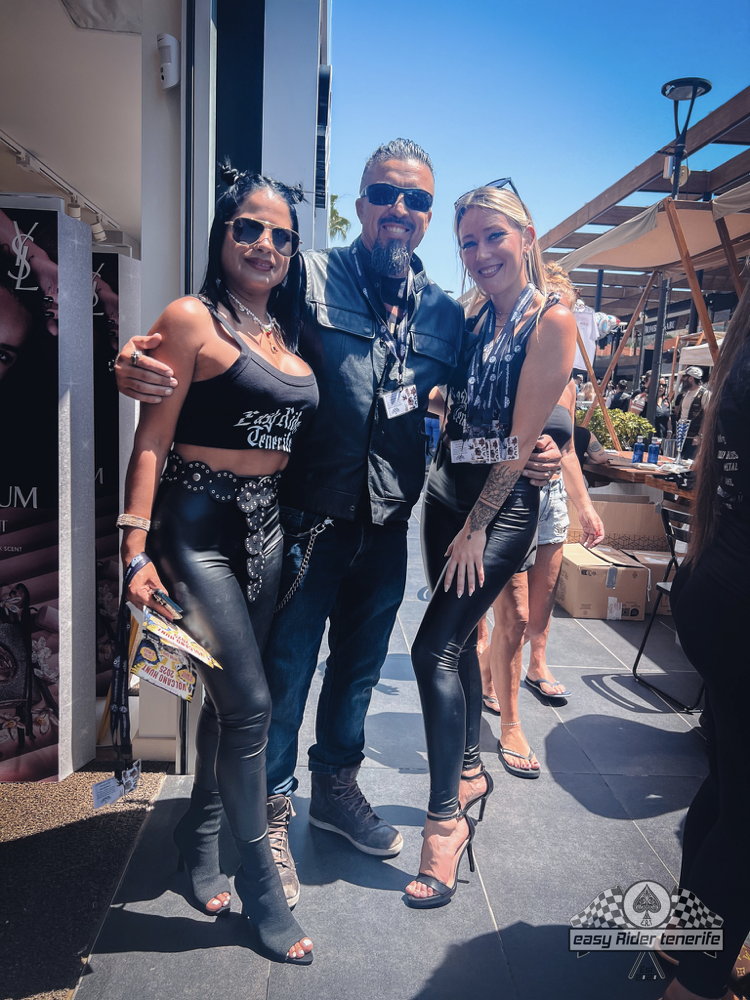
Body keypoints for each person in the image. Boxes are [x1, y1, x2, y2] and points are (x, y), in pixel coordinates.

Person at [114, 140, 563, 908]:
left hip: (388, 523)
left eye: (417, 201)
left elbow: (493, 396)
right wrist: (135, 359)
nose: (401, 212)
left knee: (357, 669)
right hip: (304, 517)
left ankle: (336, 789)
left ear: (427, 217)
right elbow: (229, 329)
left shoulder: (446, 316)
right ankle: (274, 810)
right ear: (359, 205)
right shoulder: (310, 278)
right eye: (385, 195)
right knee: (287, 669)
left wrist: (552, 440)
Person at [119, 169, 316, 964]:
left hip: (267, 537)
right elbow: (150, 441)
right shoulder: (190, 318)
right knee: (253, 708)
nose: (263, 244)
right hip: (196, 532)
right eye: (247, 228)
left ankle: (197, 848)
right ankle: (261, 889)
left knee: (230, 708)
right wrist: (133, 550)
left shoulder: (287, 335)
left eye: (279, 235)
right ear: (222, 235)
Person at [404, 185, 576, 906]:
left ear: (526, 236)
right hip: (446, 497)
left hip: (497, 511)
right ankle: (471, 768)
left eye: (492, 238)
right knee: (462, 634)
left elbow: (539, 422)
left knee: (430, 648)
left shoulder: (552, 318)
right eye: (468, 242)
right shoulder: (474, 316)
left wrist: (480, 523)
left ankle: (446, 825)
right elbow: (461, 399)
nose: (479, 254)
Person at [478, 267, 605, 778]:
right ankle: (510, 722)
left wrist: (586, 507)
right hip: (506, 498)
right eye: (550, 304)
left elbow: (570, 448)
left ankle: (492, 671)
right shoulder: (499, 362)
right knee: (513, 613)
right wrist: (520, 450)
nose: (557, 317)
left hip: (550, 503)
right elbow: (463, 429)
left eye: (565, 309)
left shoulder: (569, 384)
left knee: (534, 617)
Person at [665, 280, 750, 1000]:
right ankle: (696, 982)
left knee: (729, 789)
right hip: (737, 599)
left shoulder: (743, 353)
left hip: (717, 591)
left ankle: (683, 939)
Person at [672, 365, 709, 460]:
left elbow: (707, 417)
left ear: (691, 378)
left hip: (693, 437)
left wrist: (700, 436)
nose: (683, 379)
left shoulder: (704, 394)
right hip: (681, 436)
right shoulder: (685, 393)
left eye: (685, 377)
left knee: (689, 464)